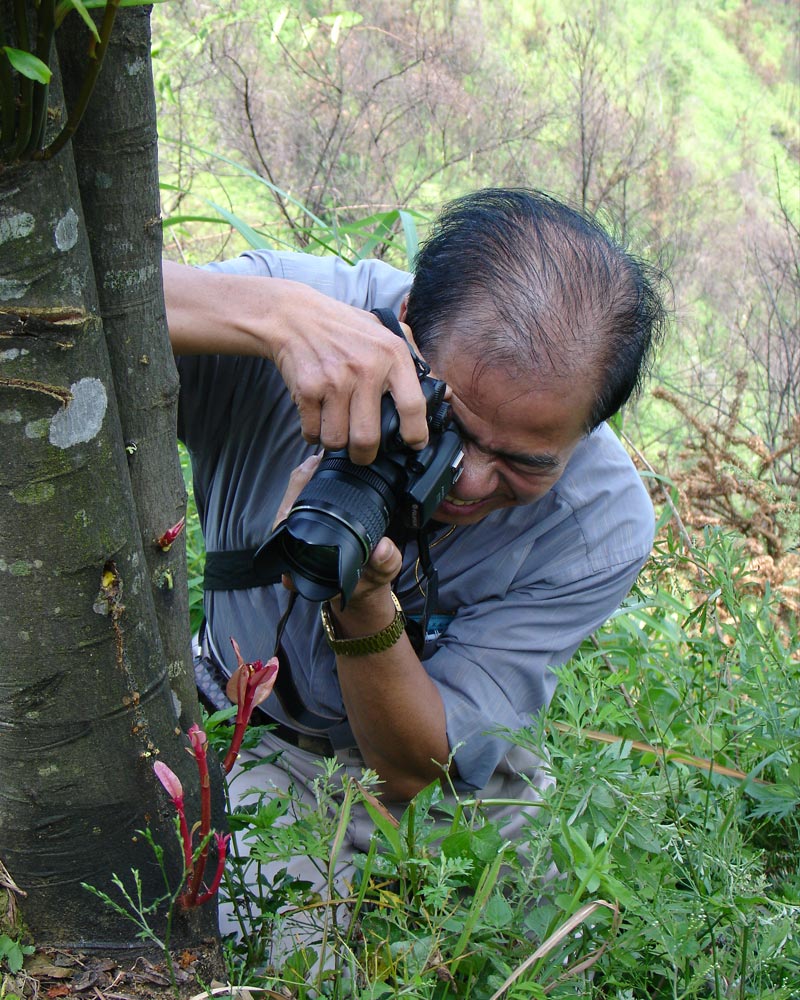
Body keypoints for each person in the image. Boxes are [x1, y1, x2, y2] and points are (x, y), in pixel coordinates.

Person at [166, 187, 667, 938]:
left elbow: (415, 767)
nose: (466, 481)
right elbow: (65, 310)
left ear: (591, 429)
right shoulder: (301, 322)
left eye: (524, 461)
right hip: (253, 732)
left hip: (433, 770)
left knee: (564, 935)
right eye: (452, 425)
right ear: (404, 324)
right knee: (287, 958)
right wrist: (271, 317)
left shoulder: (600, 524)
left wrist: (364, 601)